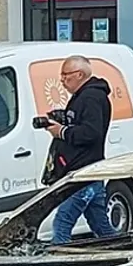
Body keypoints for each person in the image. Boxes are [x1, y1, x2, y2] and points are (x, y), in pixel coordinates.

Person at [42, 55, 117, 245]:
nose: (62, 80)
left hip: (84, 172)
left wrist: (62, 131)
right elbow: (83, 125)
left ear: (80, 74)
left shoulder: (91, 97)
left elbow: (91, 133)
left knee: (62, 222)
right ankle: (119, 251)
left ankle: (58, 260)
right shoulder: (83, 96)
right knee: (100, 224)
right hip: (89, 171)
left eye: (66, 75)